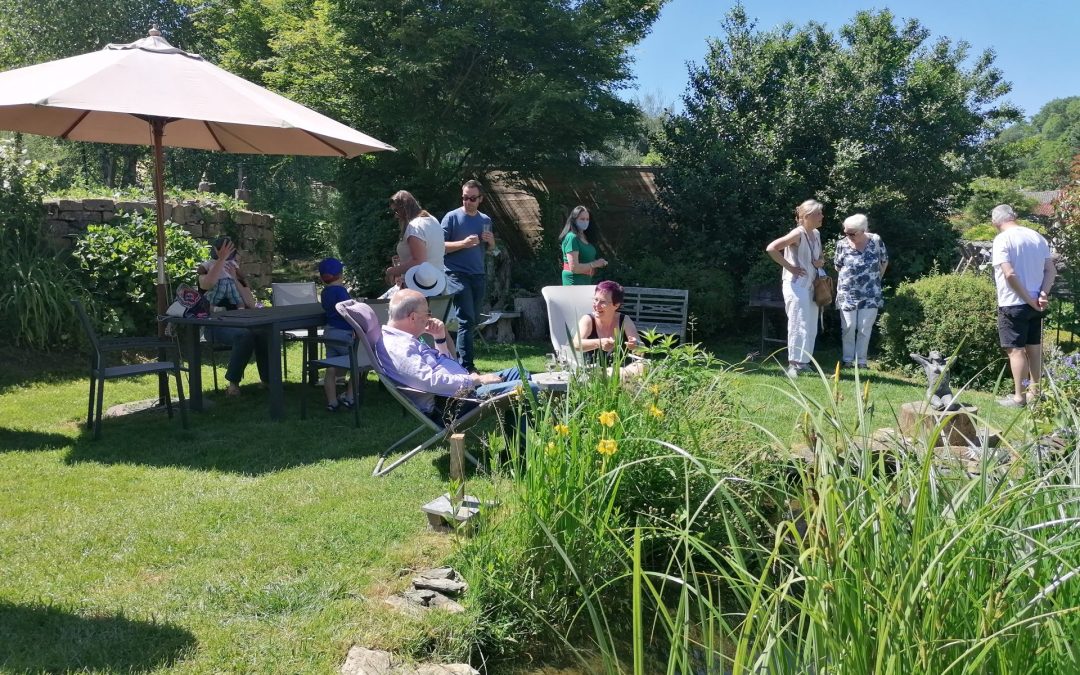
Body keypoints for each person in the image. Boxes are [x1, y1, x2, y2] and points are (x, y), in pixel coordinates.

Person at [378, 289, 529, 424]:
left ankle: (522, 440)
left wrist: (439, 339)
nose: (429, 318)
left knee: (518, 373)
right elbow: (429, 381)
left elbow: (445, 366)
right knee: (527, 388)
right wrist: (475, 379)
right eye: (427, 314)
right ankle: (523, 448)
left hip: (457, 391)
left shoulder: (405, 339)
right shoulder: (398, 347)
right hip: (450, 404)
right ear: (412, 318)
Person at [990, 204, 1056, 407]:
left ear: (994, 223)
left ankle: (1019, 397)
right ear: (1014, 216)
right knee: (1034, 349)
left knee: (1016, 351)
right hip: (1036, 304)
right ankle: (1035, 395)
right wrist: (1042, 294)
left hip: (1013, 303)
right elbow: (1051, 270)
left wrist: (1028, 299)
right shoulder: (1036, 237)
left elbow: (1009, 274)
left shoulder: (1002, 239)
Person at [197, 236, 269, 396]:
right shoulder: (207, 269)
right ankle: (233, 383)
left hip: (242, 321)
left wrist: (235, 278)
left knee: (264, 332)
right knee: (244, 336)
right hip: (215, 325)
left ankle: (268, 380)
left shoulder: (236, 272)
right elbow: (207, 284)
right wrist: (221, 260)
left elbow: (250, 303)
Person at [765, 199, 826, 378]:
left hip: (812, 284)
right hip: (796, 285)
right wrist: (790, 267)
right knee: (798, 322)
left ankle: (805, 362)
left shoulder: (816, 233)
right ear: (807, 216)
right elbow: (772, 248)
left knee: (810, 324)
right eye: (819, 213)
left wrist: (820, 262)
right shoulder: (797, 233)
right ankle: (794, 365)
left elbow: (820, 256)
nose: (822, 216)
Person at [442, 179, 495, 373]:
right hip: (456, 274)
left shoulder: (485, 220)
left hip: (478, 274)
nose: (468, 201)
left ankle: (460, 361)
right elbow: (440, 246)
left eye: (472, 198)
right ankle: (467, 366)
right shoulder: (451, 217)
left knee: (471, 321)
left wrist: (491, 243)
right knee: (466, 319)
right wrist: (463, 243)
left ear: (480, 199)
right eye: (465, 197)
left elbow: (490, 251)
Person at [833, 213, 888, 368]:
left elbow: (884, 261)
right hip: (847, 293)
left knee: (865, 328)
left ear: (863, 230)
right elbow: (837, 266)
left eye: (852, 233)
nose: (848, 236)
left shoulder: (876, 241)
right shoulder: (842, 244)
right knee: (848, 327)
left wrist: (875, 279)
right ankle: (848, 360)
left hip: (871, 293)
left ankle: (862, 362)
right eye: (846, 232)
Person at [382, 190, 448, 294]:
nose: (396, 215)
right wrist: (404, 259)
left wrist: (392, 271)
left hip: (419, 288)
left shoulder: (414, 227)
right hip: (438, 284)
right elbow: (429, 251)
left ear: (404, 208)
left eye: (396, 211)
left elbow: (419, 261)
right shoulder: (432, 220)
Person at [572, 280, 643, 375]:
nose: (596, 305)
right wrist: (599, 343)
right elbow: (576, 344)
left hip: (621, 371)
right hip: (594, 373)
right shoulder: (588, 320)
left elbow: (641, 350)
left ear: (616, 305)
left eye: (603, 302)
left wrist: (636, 345)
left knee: (644, 364)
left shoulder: (624, 320)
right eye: (596, 299)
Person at [318, 257, 356, 412]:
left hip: (330, 333)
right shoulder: (341, 292)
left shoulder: (325, 293)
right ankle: (350, 398)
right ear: (340, 274)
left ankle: (332, 402)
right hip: (344, 334)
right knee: (356, 366)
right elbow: (350, 311)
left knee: (331, 368)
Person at [559, 205, 607, 285]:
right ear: (574, 220)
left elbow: (586, 261)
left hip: (586, 281)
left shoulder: (586, 237)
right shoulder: (572, 237)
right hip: (574, 283)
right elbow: (574, 268)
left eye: (587, 219)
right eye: (582, 219)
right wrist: (595, 264)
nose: (585, 222)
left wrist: (597, 264)